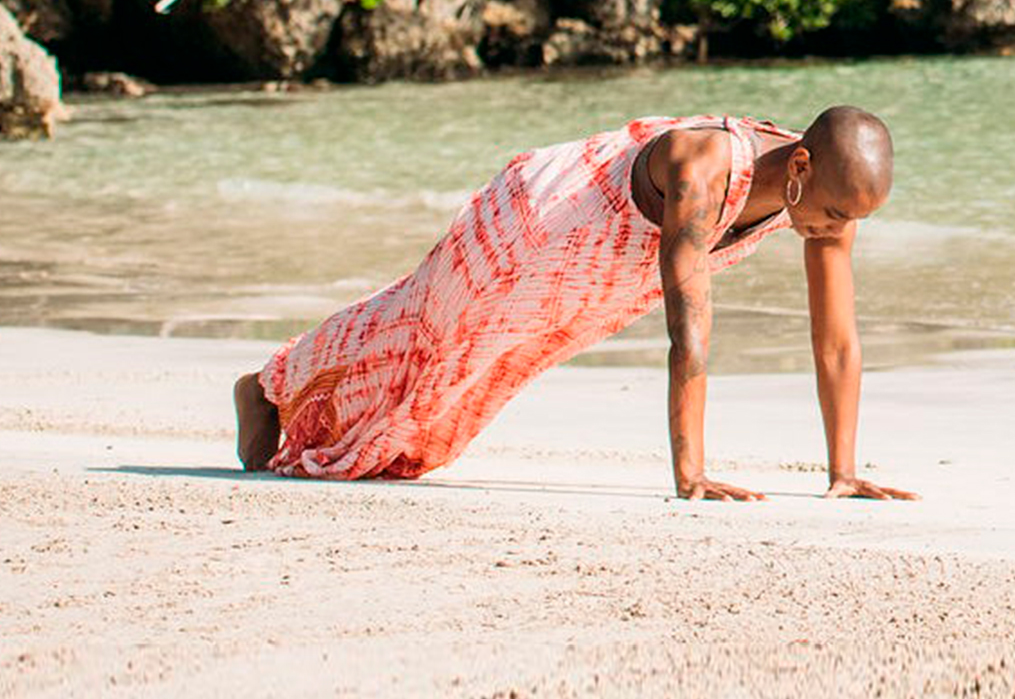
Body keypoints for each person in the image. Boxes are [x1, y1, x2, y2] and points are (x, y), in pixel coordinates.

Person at [231, 106, 916, 502]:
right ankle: (269, 387)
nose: (837, 229)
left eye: (850, 218)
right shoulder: (704, 168)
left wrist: (844, 470)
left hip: (597, 272)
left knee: (438, 411)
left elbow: (836, 341)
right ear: (799, 167)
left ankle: (300, 406)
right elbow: (689, 328)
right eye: (833, 213)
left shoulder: (826, 200)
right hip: (538, 221)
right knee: (427, 329)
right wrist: (691, 474)